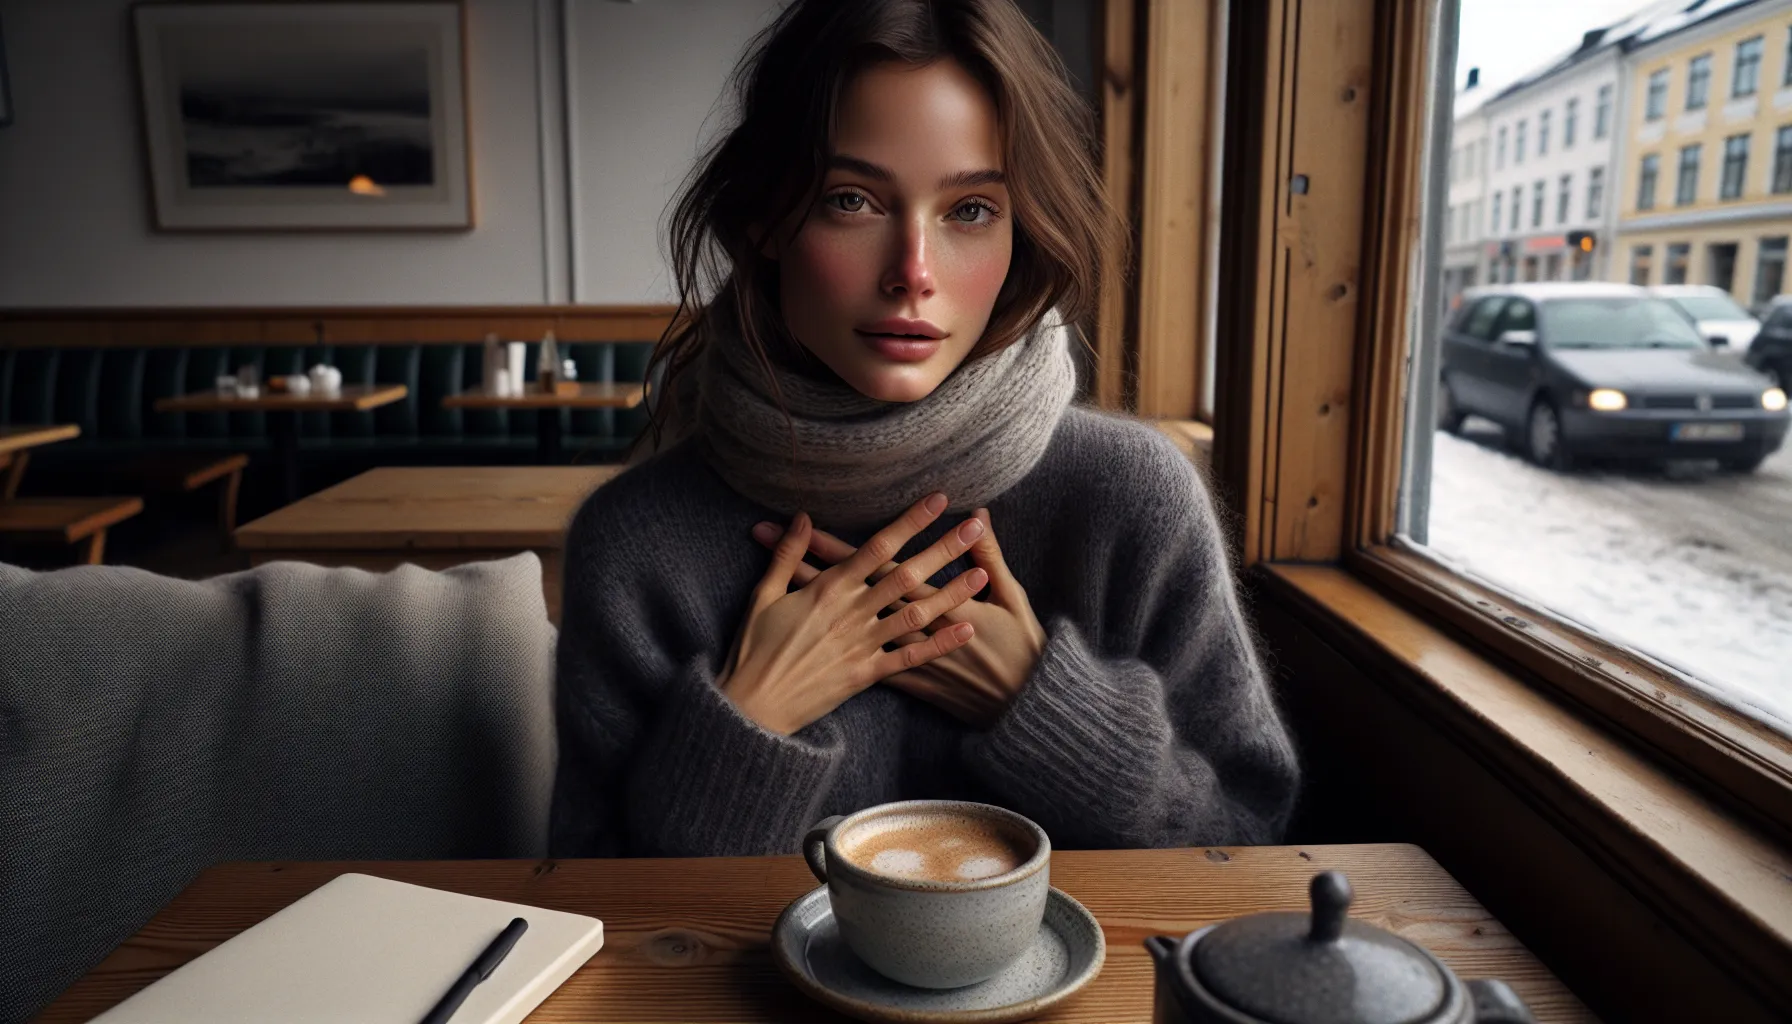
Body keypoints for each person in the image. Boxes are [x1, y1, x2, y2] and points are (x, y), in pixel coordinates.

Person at [550, 0, 1299, 857]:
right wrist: (747, 719)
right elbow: (590, 907)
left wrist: (1044, 708)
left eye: (971, 210)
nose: (913, 274)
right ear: (765, 220)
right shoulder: (636, 542)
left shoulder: (1130, 499)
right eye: (851, 200)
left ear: (1022, 231)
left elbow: (1248, 842)